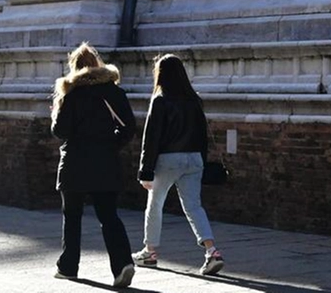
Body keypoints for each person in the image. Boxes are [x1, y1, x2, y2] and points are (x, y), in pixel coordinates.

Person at [50, 42, 137, 287]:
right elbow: (129, 127)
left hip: (75, 162)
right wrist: (111, 145)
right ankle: (122, 264)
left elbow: (61, 131)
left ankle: (68, 267)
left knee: (72, 216)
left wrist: (56, 111)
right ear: (97, 64)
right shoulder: (114, 92)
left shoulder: (71, 93)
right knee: (109, 215)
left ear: (74, 67)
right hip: (105, 161)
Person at [134, 54, 226, 275]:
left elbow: (152, 137)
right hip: (194, 158)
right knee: (194, 206)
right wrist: (202, 162)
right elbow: (202, 136)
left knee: (155, 204)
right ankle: (211, 251)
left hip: (168, 158)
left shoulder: (160, 100)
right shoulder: (194, 100)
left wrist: (145, 171)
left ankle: (150, 252)